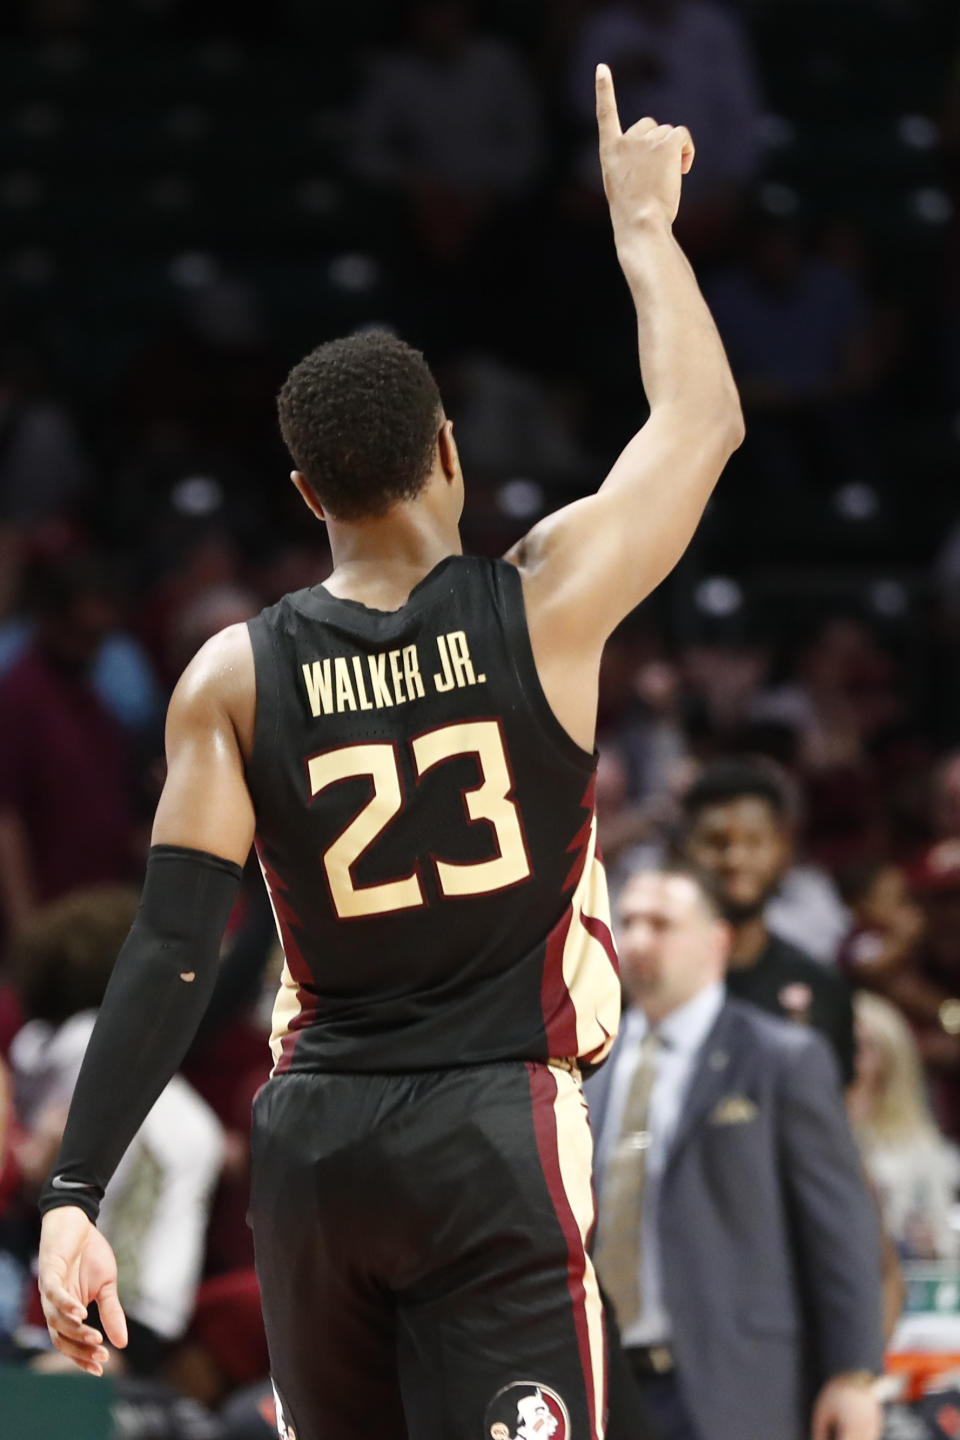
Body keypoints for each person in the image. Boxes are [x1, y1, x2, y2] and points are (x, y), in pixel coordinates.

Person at [36, 66, 745, 1440]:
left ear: (307, 495)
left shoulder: (229, 676)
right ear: (449, 450)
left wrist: (74, 1196)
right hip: (493, 1131)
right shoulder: (544, 598)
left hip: (316, 1150)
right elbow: (701, 426)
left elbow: (174, 948)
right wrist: (644, 231)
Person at [587, 862, 884, 1440]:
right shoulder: (588, 1067)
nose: (639, 939)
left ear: (716, 940)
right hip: (607, 1383)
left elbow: (840, 1226)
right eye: (628, 921)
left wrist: (853, 1375)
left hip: (738, 1388)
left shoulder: (782, 1059)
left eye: (661, 923)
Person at [680, 756, 857, 1082]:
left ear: (783, 849)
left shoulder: (822, 987)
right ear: (684, 850)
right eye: (716, 842)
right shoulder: (647, 983)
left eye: (754, 841)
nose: (735, 859)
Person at [849, 990, 960, 1261]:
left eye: (863, 1047)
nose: (851, 1061)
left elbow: (945, 1240)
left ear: (890, 1058)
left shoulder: (924, 1152)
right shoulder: (803, 1136)